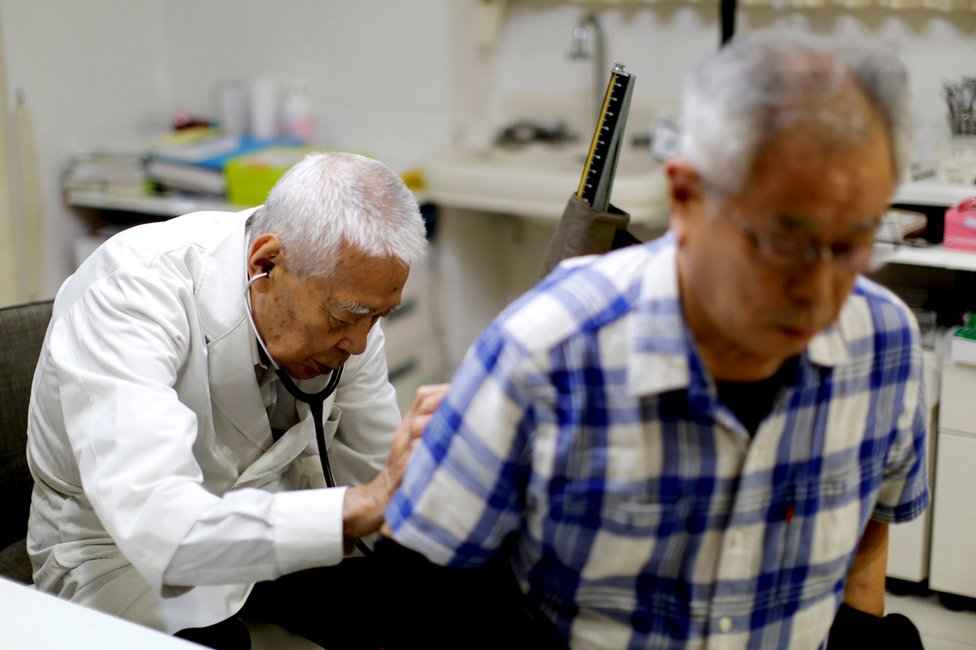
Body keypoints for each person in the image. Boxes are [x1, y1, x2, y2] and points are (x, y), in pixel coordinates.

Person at [383, 30, 929, 649]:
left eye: (853, 243)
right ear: (686, 198)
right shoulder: (544, 353)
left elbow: (865, 546)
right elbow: (422, 599)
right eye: (784, 243)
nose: (821, 288)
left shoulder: (884, 343)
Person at [26, 151, 447, 649]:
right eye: (343, 319)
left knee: (449, 601)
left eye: (377, 316)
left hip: (273, 534)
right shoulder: (131, 298)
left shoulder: (349, 309)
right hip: (124, 558)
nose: (358, 344)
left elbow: (374, 481)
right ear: (265, 263)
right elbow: (166, 530)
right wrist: (360, 506)